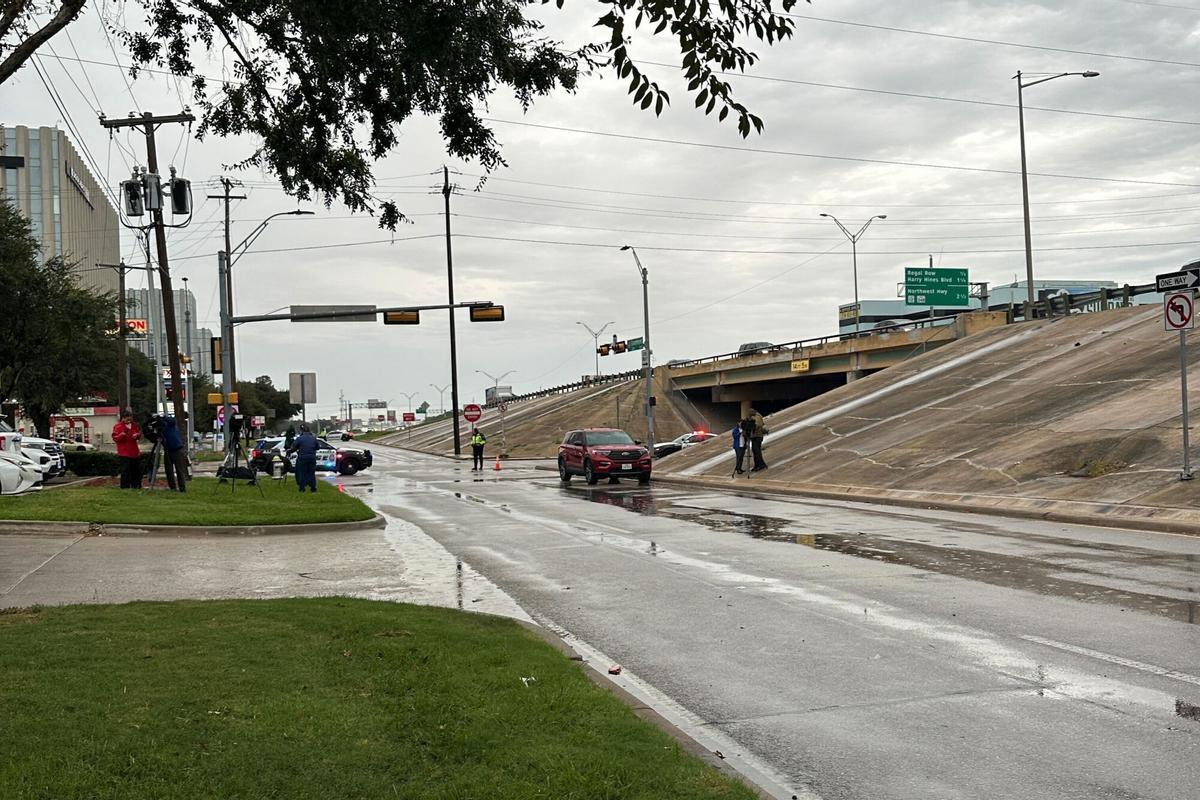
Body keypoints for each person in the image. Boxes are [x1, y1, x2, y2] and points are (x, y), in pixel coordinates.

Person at [112, 409, 142, 489]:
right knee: (125, 470)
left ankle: (136, 485)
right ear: (123, 418)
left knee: (136, 470)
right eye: (127, 419)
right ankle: (125, 486)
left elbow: (139, 434)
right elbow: (115, 438)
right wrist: (122, 434)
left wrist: (137, 435)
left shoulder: (134, 425)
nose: (129, 421)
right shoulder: (118, 426)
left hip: (134, 451)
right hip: (124, 452)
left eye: (130, 419)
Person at [287, 423, 319, 493]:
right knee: (311, 472)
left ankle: (302, 488)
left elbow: (293, 448)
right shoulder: (314, 438)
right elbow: (317, 447)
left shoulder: (299, 438)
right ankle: (313, 488)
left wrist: (289, 451)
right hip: (312, 458)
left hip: (302, 458)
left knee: (302, 472)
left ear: (301, 431)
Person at [160, 414, 188, 493]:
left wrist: (163, 418)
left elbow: (172, 420)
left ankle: (182, 488)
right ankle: (172, 488)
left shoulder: (170, 425)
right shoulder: (162, 428)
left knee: (179, 470)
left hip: (177, 449)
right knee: (169, 470)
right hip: (167, 449)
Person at [748, 407, 768, 473]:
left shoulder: (758, 416)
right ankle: (757, 465)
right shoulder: (753, 417)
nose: (749, 414)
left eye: (750, 413)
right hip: (754, 436)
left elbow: (758, 425)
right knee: (755, 451)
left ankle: (761, 465)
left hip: (758, 436)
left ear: (753, 411)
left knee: (757, 451)